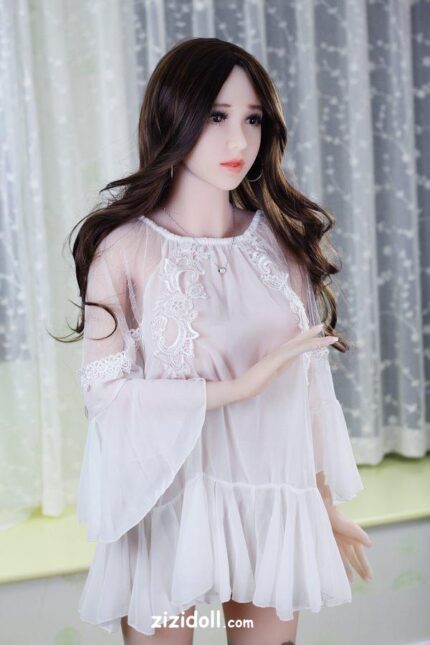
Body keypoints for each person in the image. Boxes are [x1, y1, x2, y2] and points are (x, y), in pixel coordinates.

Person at [66, 37, 373, 645]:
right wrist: (237, 388)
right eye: (216, 116)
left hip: (272, 504)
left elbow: (308, 389)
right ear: (173, 117)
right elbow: (105, 395)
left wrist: (322, 505)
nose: (239, 141)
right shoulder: (124, 248)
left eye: (252, 119)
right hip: (166, 506)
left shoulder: (282, 243)